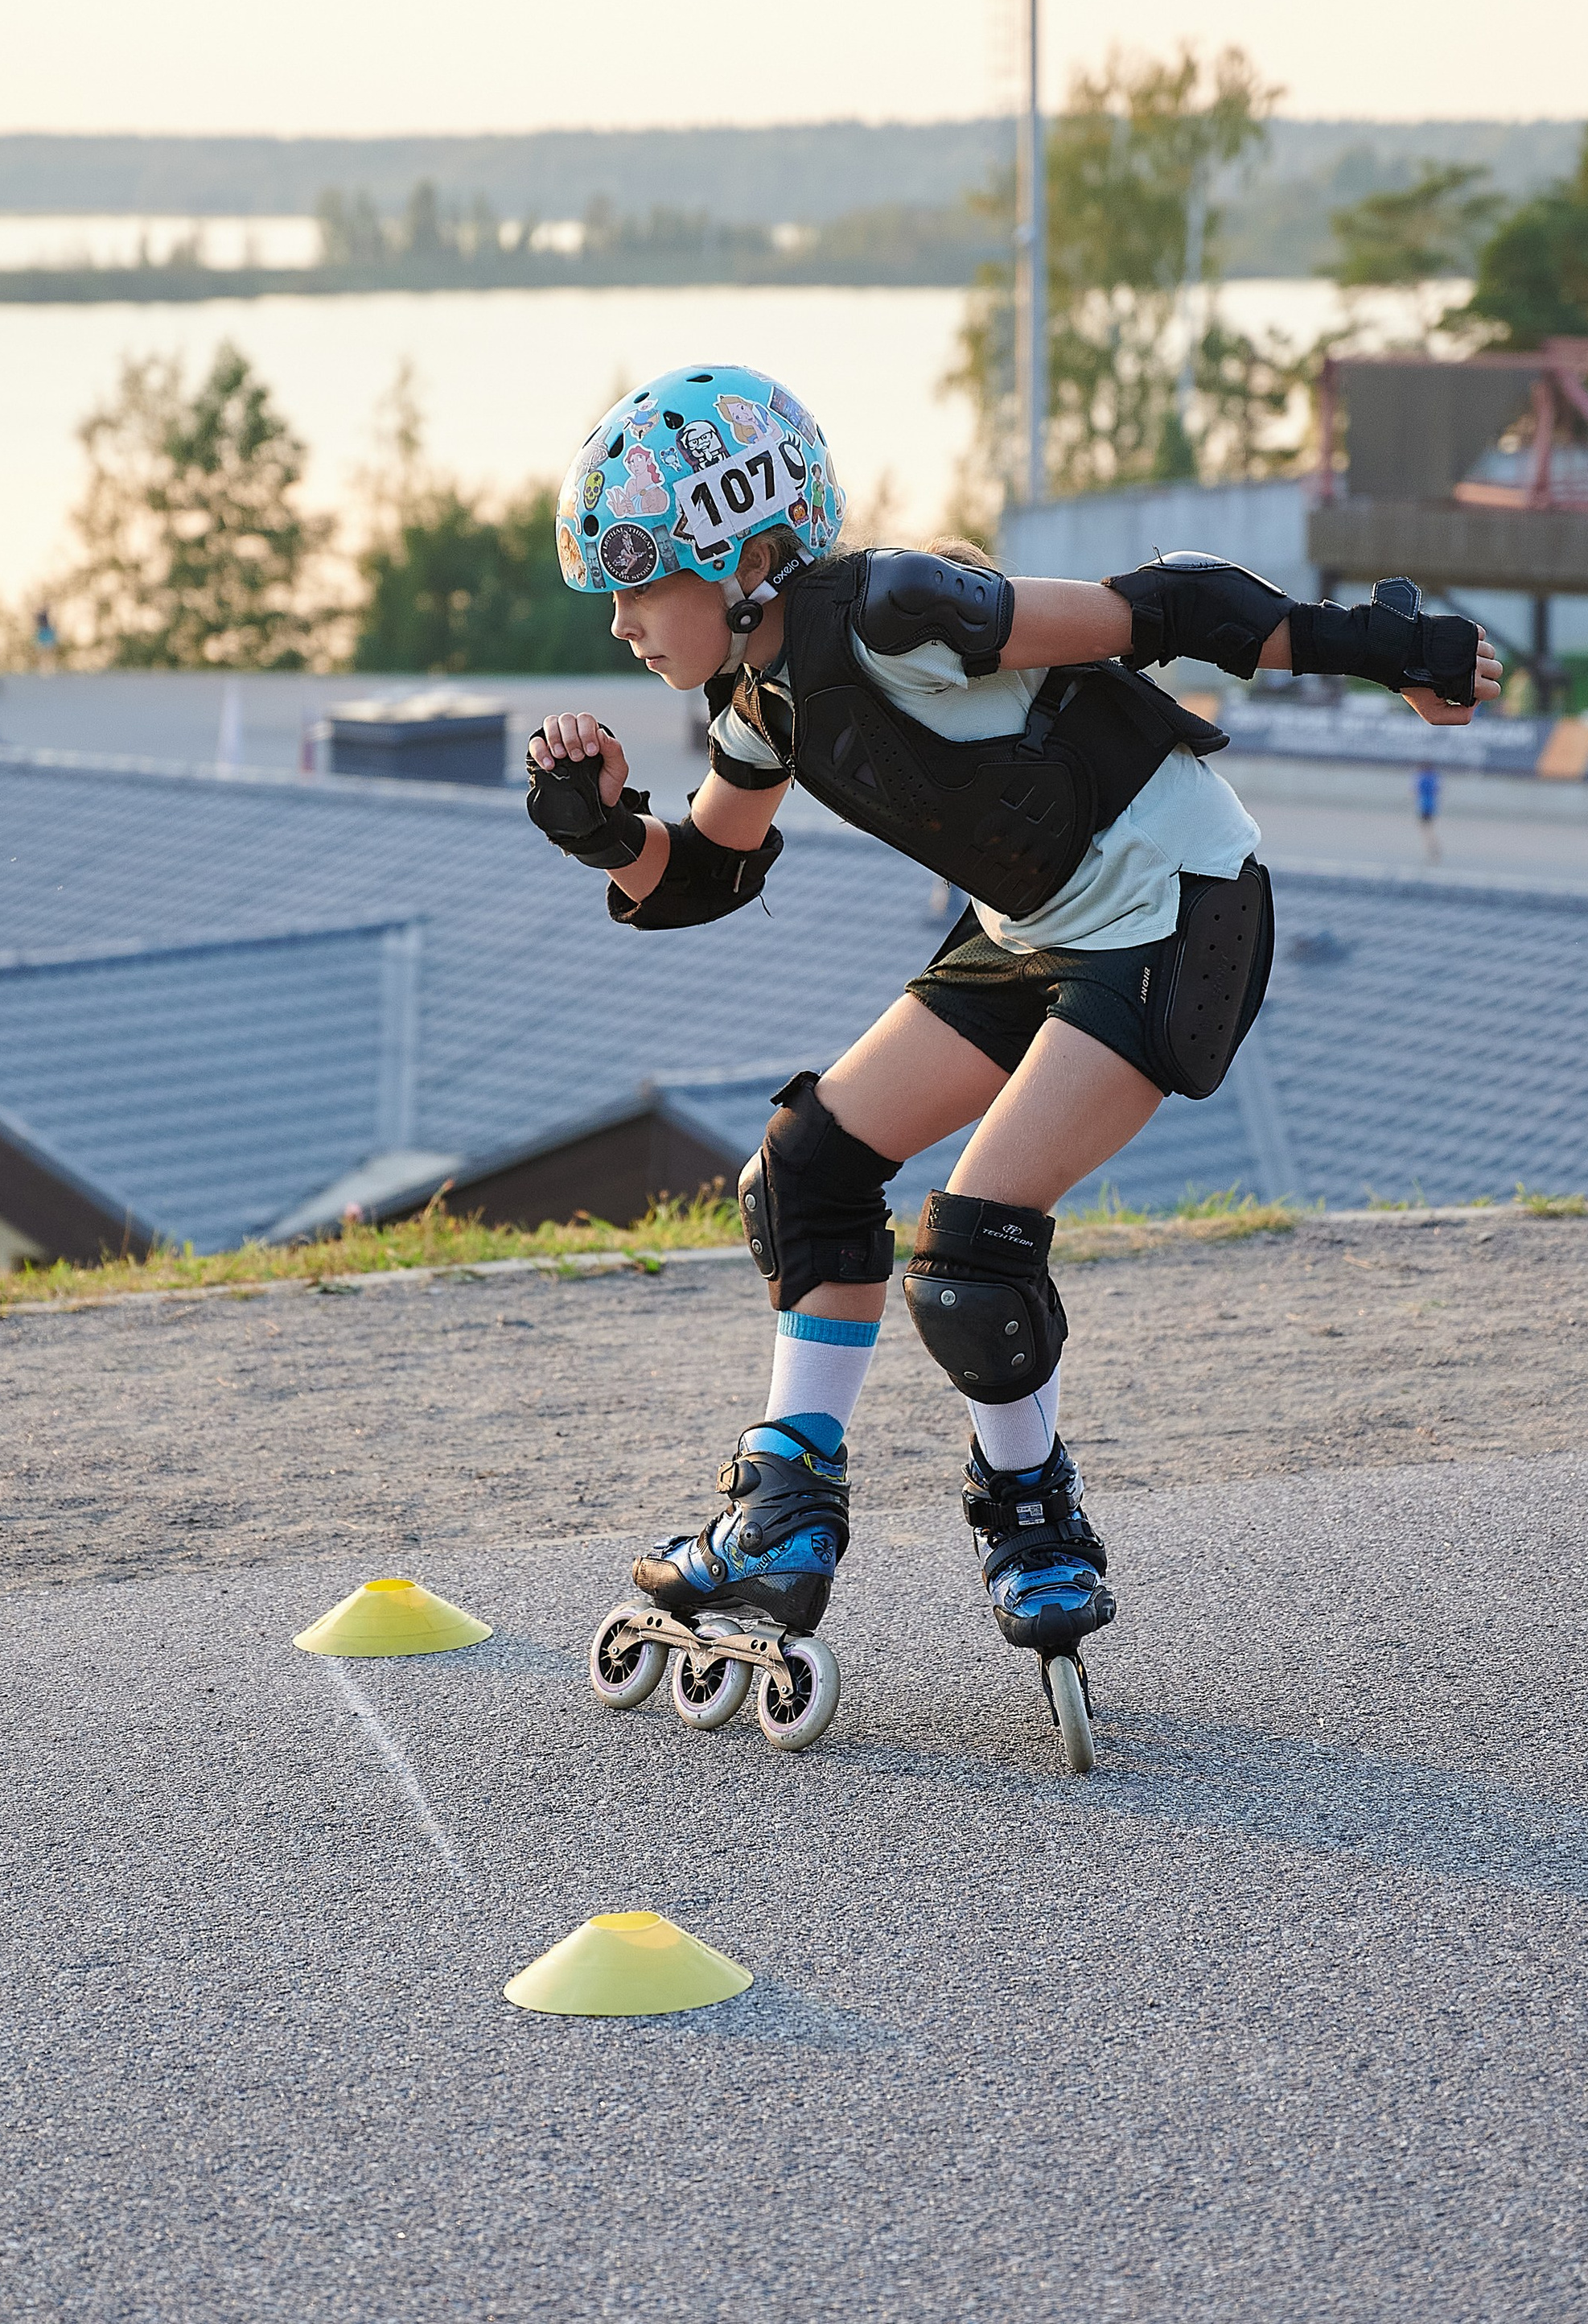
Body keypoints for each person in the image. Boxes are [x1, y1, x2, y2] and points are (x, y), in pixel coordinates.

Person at [527, 363, 1501, 1730]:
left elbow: (1162, 607)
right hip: (1036, 927)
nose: (621, 621)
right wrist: (598, 827)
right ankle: (787, 1499)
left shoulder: (896, 609)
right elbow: (702, 872)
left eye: (639, 582)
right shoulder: (763, 699)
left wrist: (1389, 649)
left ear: (744, 558)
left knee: (970, 1251)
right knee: (806, 1170)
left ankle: (1034, 1509)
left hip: (1176, 908)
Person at [1415, 758, 1443, 863]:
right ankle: (1433, 848)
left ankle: (1432, 849)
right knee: (1428, 828)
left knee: (1426, 830)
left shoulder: (1422, 777)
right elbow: (1438, 790)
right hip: (1432, 805)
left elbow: (1417, 790)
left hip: (1424, 805)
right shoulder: (1434, 777)